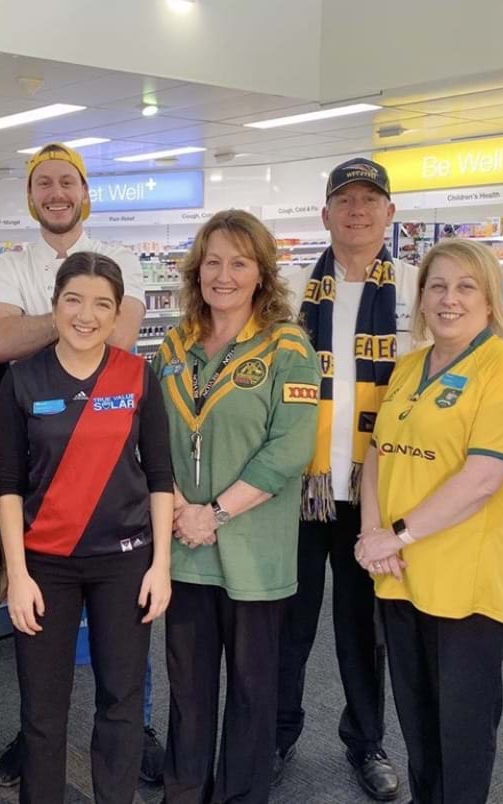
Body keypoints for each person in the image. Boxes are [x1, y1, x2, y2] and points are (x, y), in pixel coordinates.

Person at [0, 142, 166, 786]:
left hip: (123, 547)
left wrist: (50, 321)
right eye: (44, 183)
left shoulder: (134, 360)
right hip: (46, 542)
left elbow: (117, 344)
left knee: (122, 692)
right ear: (31, 196)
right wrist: (69, 323)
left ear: (86, 193)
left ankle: (131, 753)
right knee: (42, 702)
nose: (56, 193)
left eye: (68, 182)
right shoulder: (9, 272)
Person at [356, 238, 503, 804]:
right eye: (436, 286)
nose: (449, 299)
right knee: (417, 723)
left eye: (466, 287)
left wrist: (397, 534)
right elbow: (378, 454)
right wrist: (372, 535)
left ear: (489, 300)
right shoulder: (409, 367)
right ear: (420, 298)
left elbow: (482, 480)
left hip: (468, 585)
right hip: (401, 574)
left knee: (461, 732)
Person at [153, 209, 321, 803]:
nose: (223, 275)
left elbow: (290, 448)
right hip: (183, 547)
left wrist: (214, 513)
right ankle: (184, 792)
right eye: (213, 262)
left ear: (262, 274)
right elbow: (152, 437)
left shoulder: (287, 347)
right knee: (187, 689)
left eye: (239, 263)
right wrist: (181, 508)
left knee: (252, 691)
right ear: (196, 270)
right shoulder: (173, 345)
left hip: (254, 553)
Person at [275, 158, 418, 798]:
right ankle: (278, 733)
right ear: (325, 214)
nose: (357, 210)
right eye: (345, 200)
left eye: (370, 199)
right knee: (288, 623)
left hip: (373, 494)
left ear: (390, 212)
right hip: (299, 489)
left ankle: (366, 741)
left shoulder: (417, 289)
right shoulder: (288, 290)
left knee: (364, 630)